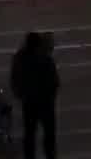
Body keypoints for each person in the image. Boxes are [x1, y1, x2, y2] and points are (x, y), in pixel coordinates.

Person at [10, 31, 59, 159]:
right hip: (45, 102)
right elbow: (54, 81)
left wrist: (20, 94)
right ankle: (50, 155)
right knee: (49, 134)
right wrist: (51, 95)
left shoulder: (20, 58)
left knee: (29, 133)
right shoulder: (45, 58)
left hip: (29, 101)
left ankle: (30, 156)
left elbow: (15, 78)